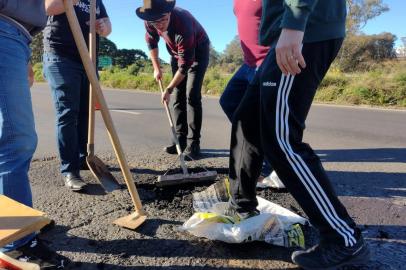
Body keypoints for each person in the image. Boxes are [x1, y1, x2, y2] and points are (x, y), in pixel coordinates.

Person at [225, 0, 370, 269]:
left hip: (303, 30)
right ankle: (241, 206)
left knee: (281, 141)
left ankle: (345, 240)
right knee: (247, 120)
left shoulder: (297, 25)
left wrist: (293, 24)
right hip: (286, 33)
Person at [0, 0, 71, 267]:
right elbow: (51, 4)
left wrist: (25, 53)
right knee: (16, 140)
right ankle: (15, 244)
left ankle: (10, 218)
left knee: (12, 140)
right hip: (4, 32)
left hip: (17, 36)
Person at [43, 0, 111, 192]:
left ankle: (83, 158)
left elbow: (107, 26)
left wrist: (103, 27)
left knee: (86, 112)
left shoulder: (96, 1)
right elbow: (48, 8)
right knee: (68, 112)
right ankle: (70, 170)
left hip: (88, 60)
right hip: (60, 56)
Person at [219, 0, 283, 188]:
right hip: (249, 64)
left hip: (268, 59)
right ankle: (260, 153)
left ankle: (279, 168)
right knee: (229, 101)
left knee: (268, 115)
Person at [136, 0, 210, 159]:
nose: (160, 25)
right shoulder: (150, 21)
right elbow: (151, 42)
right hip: (176, 55)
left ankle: (194, 143)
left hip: (198, 53)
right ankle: (179, 141)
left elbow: (185, 66)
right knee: (178, 95)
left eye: (163, 20)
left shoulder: (183, 23)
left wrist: (168, 89)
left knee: (192, 96)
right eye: (155, 22)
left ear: (169, 13)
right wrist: (156, 68)